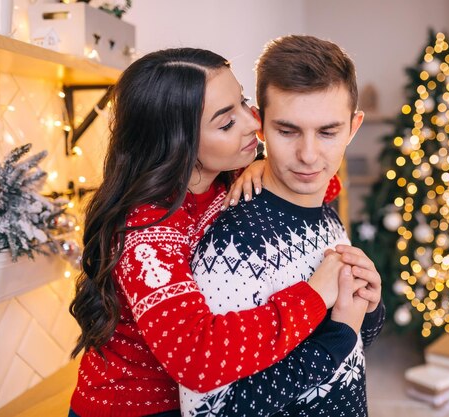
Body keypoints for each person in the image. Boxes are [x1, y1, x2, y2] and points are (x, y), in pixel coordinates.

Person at [68, 47, 363, 417]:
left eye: (241, 102)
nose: (253, 122)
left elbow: (322, 189)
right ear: (180, 142)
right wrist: (314, 296)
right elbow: (197, 356)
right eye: (226, 123)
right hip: (139, 408)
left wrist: (264, 169)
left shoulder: (226, 176)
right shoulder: (148, 226)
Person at [181, 35, 386, 417]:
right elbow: (208, 410)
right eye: (288, 131)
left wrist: (368, 308)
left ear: (353, 127)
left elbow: (352, 352)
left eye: (328, 132)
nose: (308, 156)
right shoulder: (233, 243)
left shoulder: (325, 210)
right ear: (259, 124)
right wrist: (337, 336)